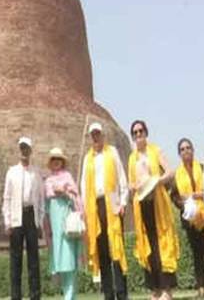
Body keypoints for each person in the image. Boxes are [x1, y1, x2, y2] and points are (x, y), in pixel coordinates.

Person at [128, 120, 179, 300]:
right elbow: (131, 182)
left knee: (162, 244)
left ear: (146, 133)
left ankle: (167, 289)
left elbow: (170, 173)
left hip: (157, 202)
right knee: (148, 246)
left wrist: (157, 181)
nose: (138, 134)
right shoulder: (132, 158)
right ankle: (155, 289)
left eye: (141, 131)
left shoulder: (155, 151)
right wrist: (133, 186)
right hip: (142, 205)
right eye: (135, 132)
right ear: (132, 136)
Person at [80, 122, 128, 300]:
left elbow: (122, 177)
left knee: (117, 248)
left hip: (112, 204)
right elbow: (84, 186)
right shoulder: (88, 158)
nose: (95, 137)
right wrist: (85, 210)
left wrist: (123, 202)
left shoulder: (112, 152)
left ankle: (122, 293)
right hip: (95, 207)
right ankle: (108, 293)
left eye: (98, 134)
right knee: (102, 251)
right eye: (92, 134)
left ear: (102, 135)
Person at [171, 138, 204, 298]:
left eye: (188, 148)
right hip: (190, 218)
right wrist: (183, 203)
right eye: (182, 149)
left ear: (193, 150)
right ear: (179, 153)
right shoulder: (177, 174)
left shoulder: (203, 168)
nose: (186, 151)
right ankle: (200, 288)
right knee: (197, 253)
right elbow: (174, 196)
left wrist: (201, 195)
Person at [2, 137, 45, 300]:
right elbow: (7, 198)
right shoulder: (12, 172)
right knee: (16, 259)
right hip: (16, 216)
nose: (24, 151)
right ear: (19, 150)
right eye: (21, 148)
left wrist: (39, 221)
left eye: (26, 148)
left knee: (33, 259)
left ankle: (35, 295)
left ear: (30, 151)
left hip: (30, 216)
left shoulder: (36, 173)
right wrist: (7, 221)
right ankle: (16, 296)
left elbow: (40, 200)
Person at [43, 147, 83, 300]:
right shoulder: (48, 181)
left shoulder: (68, 177)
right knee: (59, 262)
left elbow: (76, 200)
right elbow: (46, 207)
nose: (56, 162)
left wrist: (65, 193)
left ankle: (69, 296)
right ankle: (67, 295)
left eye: (58, 159)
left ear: (62, 162)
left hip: (68, 224)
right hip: (55, 224)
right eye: (53, 159)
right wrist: (47, 229)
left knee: (69, 260)